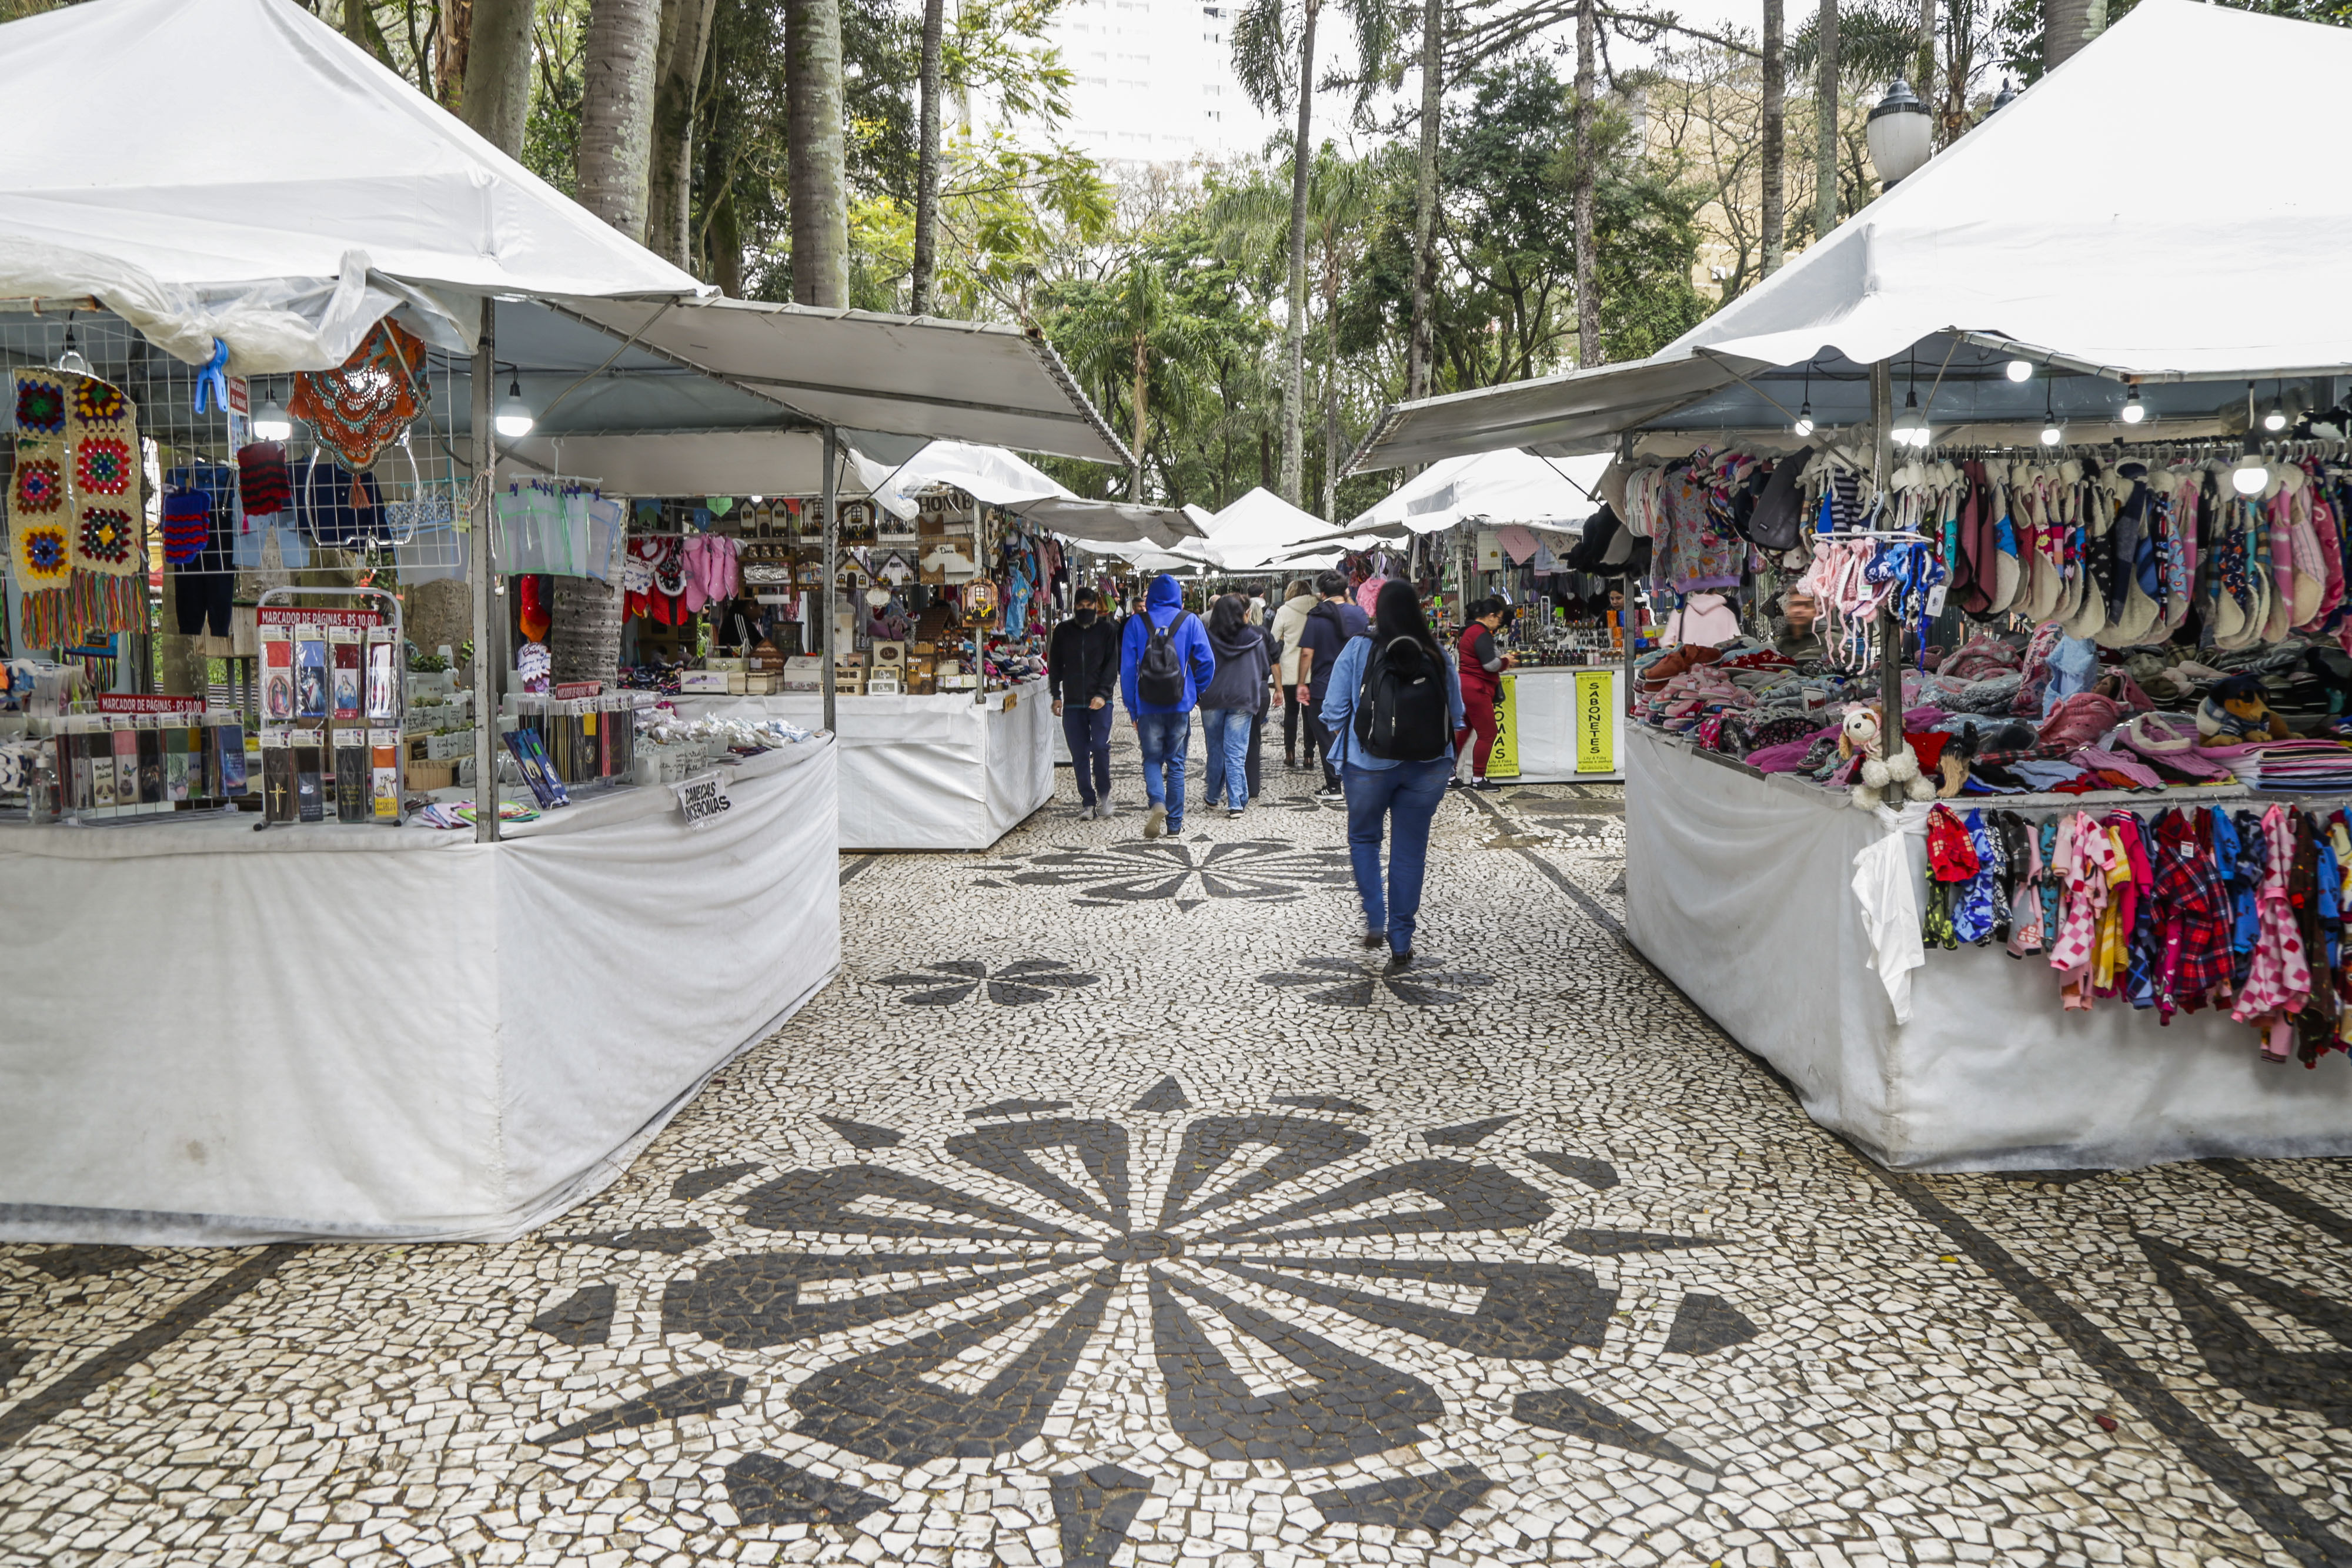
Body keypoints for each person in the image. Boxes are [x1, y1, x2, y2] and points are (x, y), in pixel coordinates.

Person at [1318, 580, 1465, 967]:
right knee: (1410, 851)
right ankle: (1402, 940)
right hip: (1428, 768)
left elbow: (1332, 712)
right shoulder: (1437, 653)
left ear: (1377, 610)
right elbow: (1458, 714)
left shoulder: (1358, 649)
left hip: (1367, 766)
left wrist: (1363, 735)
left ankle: (1376, 918)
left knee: (1364, 839)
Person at [1120, 572, 1217, 840]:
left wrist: (1132, 707)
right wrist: (1196, 692)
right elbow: (1208, 663)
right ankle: (1174, 825)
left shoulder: (1136, 624)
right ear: (1179, 597)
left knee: (1151, 759)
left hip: (1148, 705)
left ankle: (1157, 802)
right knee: (1177, 763)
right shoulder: (1190, 621)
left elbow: (1127, 671)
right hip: (1179, 704)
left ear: (1150, 596)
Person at [1294, 569, 1369, 802]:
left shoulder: (1316, 616)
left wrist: (1301, 683)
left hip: (1324, 683)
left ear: (1322, 592)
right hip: (1356, 683)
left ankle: (1334, 784)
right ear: (1346, 591)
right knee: (1356, 729)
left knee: (1326, 734)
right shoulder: (1359, 615)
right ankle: (1359, 777)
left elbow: (1307, 653)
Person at [1050, 587, 1121, 817]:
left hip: (1101, 701)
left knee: (1100, 746)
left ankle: (1104, 795)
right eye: (1080, 606)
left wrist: (1102, 694)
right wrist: (1056, 695)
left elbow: (1112, 666)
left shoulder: (1107, 631)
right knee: (1078, 753)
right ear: (1074, 607)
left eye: (1089, 605)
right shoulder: (1063, 631)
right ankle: (1088, 802)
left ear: (1096, 606)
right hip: (1072, 702)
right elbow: (1055, 663)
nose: (1085, 609)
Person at [1198, 594, 1270, 819]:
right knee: (1236, 752)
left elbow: (1197, 666)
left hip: (1211, 699)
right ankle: (1236, 803)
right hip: (1242, 699)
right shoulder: (1255, 638)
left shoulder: (1206, 638)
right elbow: (1264, 670)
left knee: (1215, 749)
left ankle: (1212, 796)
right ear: (1243, 613)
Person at [1454, 596, 1514, 790]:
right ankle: (1478, 778)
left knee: (1463, 732)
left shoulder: (1469, 632)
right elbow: (1490, 665)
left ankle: (1448, 775)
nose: (1499, 624)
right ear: (1490, 616)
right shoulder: (1481, 634)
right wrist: (1505, 661)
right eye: (1499, 619)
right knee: (1488, 733)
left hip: (1466, 687)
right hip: (1477, 689)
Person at [1269, 577, 1318, 770]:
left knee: (1291, 712)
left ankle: (1290, 754)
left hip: (1290, 669)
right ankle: (1309, 756)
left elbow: (1273, 638)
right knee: (1310, 714)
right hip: (1313, 669)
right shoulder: (1318, 606)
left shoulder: (1284, 610)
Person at [1242, 599, 1277, 798]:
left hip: (1235, 692)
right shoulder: (1263, 633)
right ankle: (1253, 786)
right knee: (1254, 738)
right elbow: (1272, 663)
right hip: (1260, 690)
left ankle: (1225, 787)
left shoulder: (1225, 633)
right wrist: (1278, 689)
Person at [1774, 588, 1826, 660]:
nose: (1799, 610)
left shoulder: (1830, 642)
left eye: (1807, 605)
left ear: (1815, 610)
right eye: (1796, 604)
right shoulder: (1778, 647)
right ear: (1789, 609)